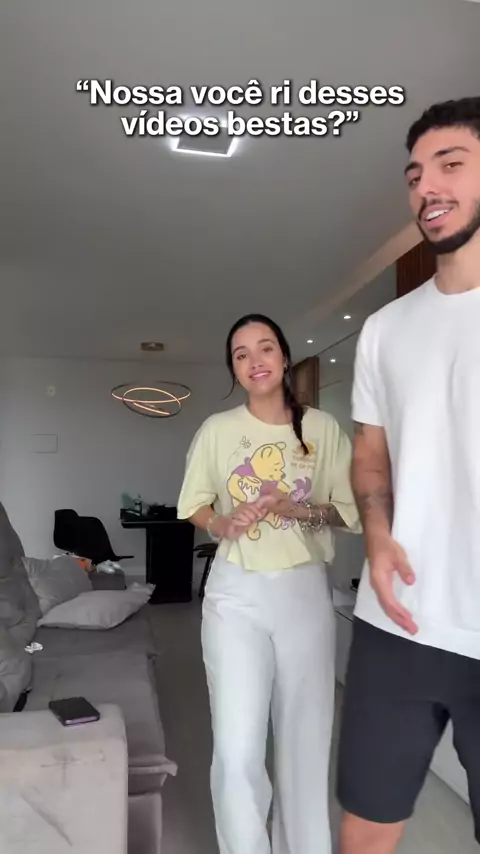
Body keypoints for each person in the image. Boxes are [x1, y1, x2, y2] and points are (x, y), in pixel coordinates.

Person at [337, 96, 480, 854]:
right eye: (416, 174)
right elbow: (369, 453)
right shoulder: (385, 330)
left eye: (450, 164)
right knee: (364, 830)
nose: (427, 186)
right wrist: (378, 533)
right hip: (398, 619)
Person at [177, 313, 361, 854]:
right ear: (234, 369)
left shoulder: (323, 429)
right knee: (236, 751)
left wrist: (295, 508)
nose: (254, 361)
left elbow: (346, 511)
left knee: (305, 743)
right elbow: (195, 505)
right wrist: (223, 523)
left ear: (283, 357)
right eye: (241, 354)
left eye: (264, 348)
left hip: (304, 593)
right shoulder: (217, 430)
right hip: (235, 594)